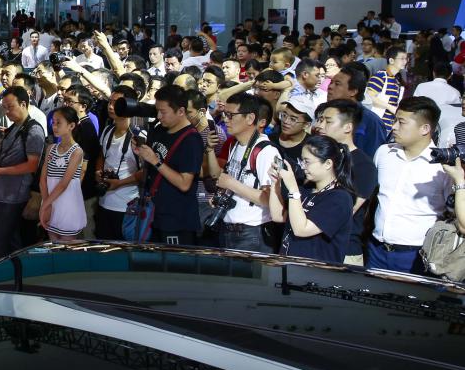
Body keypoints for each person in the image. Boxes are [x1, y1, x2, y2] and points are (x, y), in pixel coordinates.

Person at [369, 97, 464, 273]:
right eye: (395, 120)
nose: (394, 127)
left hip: (416, 256)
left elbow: (453, 214)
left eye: (401, 122)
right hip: (376, 250)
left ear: (425, 128)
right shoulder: (383, 153)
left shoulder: (443, 168)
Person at [134, 85, 205, 246]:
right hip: (155, 215)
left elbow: (184, 184)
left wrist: (155, 161)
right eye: (157, 111)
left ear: (181, 111)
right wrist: (142, 153)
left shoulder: (191, 140)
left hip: (177, 221)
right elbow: (151, 168)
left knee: (173, 262)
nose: (159, 116)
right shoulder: (160, 129)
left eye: (163, 112)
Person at [207, 94, 278, 252]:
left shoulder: (266, 151)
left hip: (251, 233)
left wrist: (232, 184)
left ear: (250, 118)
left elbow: (269, 199)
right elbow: (219, 176)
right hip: (228, 228)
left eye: (231, 115)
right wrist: (210, 150)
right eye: (224, 114)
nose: (225, 119)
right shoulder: (236, 145)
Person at [270, 134, 356, 264]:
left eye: (307, 161)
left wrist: (293, 188)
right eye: (302, 161)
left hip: (314, 272)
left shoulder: (340, 199)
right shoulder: (307, 189)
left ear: (328, 164)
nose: (303, 166)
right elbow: (278, 216)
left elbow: (301, 229)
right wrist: (275, 184)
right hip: (289, 266)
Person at [313, 100, 378, 266]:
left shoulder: (364, 165)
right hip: (310, 245)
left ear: (348, 127)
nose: (320, 126)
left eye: (328, 121)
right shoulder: (315, 158)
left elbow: (347, 210)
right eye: (320, 120)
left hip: (343, 251)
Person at [0, 86, 45, 258]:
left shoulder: (33, 130)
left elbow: (32, 165)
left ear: (23, 104)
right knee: (11, 241)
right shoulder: (14, 127)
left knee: (0, 244)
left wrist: (1, 170)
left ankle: (11, 273)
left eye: (10, 107)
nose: (6, 111)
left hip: (15, 195)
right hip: (1, 192)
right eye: (4, 107)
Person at [94, 85, 144, 240]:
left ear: (129, 105)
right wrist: (98, 171)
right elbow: (102, 155)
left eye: (116, 103)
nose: (111, 106)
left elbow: (146, 171)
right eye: (110, 102)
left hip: (127, 206)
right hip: (104, 202)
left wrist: (120, 183)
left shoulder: (139, 135)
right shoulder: (107, 130)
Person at [39, 106, 87, 241]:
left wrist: (45, 205)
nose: (54, 126)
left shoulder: (77, 151)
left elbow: (64, 184)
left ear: (71, 126)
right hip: (50, 202)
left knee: (66, 248)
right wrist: (46, 204)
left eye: (58, 123)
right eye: (53, 122)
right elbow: (42, 179)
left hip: (67, 205)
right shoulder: (50, 148)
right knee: (53, 245)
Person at [365, 43, 407, 136]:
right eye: (402, 58)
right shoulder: (381, 75)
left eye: (406, 59)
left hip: (387, 127)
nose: (405, 61)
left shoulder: (396, 80)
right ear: (391, 60)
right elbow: (369, 97)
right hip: (377, 125)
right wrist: (390, 107)